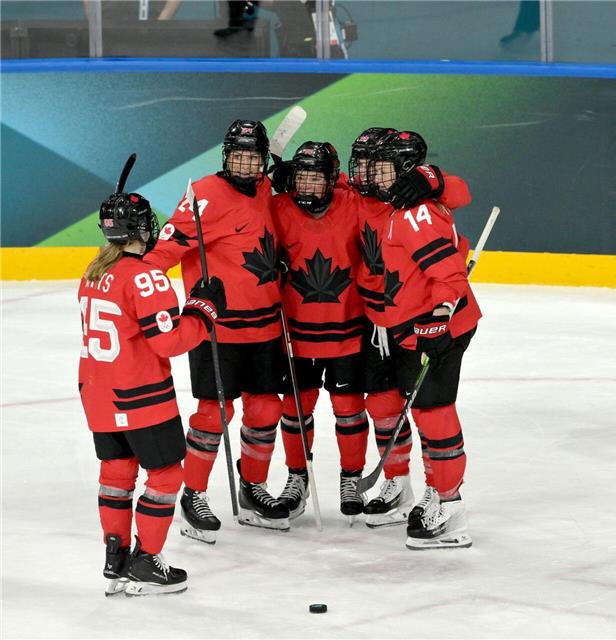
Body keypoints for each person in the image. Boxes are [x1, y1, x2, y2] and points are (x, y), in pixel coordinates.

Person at [145, 119, 291, 541]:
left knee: (266, 410)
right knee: (215, 413)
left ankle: (253, 489)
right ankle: (194, 493)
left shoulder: (266, 188)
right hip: (218, 329)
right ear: (225, 157)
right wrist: (136, 289)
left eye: (254, 158)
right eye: (238, 156)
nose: (246, 165)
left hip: (265, 325)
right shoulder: (204, 195)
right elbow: (165, 252)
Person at [79, 190, 225, 596]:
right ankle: (147, 561)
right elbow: (169, 342)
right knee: (164, 474)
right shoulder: (145, 276)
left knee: (116, 473)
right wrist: (203, 312)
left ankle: (116, 555)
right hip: (140, 395)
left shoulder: (93, 271)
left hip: (98, 394)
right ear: (141, 228)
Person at [346, 127, 473, 529]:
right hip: (385, 319)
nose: (367, 176)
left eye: (377, 168)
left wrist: (432, 178)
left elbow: (458, 196)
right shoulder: (361, 195)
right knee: (385, 405)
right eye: (364, 166)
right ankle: (399, 486)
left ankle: (444, 495)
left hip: (425, 321)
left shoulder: (415, 205)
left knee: (430, 411)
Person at [270, 141, 370, 523]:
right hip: (295, 331)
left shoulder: (353, 203)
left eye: (318, 177)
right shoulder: (278, 207)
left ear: (333, 179)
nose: (309, 185)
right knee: (295, 409)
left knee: (348, 408)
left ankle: (352, 477)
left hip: (348, 328)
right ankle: (297, 477)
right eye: (302, 176)